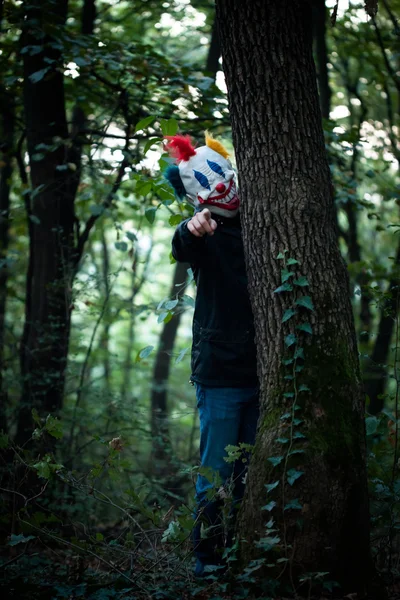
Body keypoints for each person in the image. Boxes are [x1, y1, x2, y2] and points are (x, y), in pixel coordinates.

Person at [165, 132, 259, 577]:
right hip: (220, 375)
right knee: (217, 471)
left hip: (266, 374)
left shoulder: (259, 220)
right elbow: (183, 246)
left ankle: (250, 551)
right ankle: (207, 558)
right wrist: (191, 227)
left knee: (252, 475)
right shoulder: (206, 231)